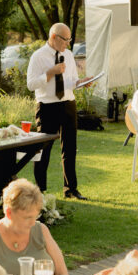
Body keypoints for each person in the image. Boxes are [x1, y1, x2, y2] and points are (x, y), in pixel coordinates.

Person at [26, 23, 86, 200]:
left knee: (70, 149)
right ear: (54, 37)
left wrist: (82, 82)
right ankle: (40, 191)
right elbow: (30, 84)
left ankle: (70, 189)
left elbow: (71, 81)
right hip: (47, 106)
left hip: (68, 104)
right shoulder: (38, 57)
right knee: (43, 150)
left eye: (69, 39)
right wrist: (50, 72)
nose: (68, 43)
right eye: (65, 39)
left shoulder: (68, 54)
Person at [0, 179, 68, 275]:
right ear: (9, 213)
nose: (33, 223)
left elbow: (62, 273)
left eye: (35, 216)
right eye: (27, 218)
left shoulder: (41, 230)